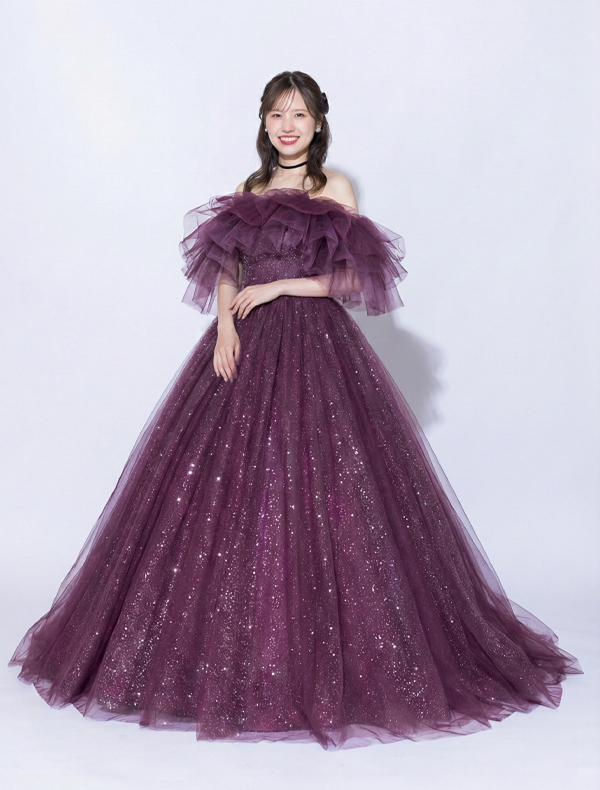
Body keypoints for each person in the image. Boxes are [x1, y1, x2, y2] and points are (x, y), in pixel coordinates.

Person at [9, 70, 582, 750]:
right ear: (264, 122)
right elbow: (228, 271)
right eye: (278, 113)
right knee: (222, 490)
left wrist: (280, 286)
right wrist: (226, 325)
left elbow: (348, 276)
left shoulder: (333, 189)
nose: (288, 125)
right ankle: (220, 659)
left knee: (324, 487)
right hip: (244, 345)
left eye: (300, 114)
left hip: (315, 345)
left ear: (317, 124)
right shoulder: (249, 190)